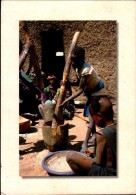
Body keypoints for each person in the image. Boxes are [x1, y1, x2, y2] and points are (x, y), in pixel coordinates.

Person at [59, 46, 105, 151]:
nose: (73, 62)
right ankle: (94, 138)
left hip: (97, 92)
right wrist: (68, 83)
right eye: (72, 59)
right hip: (90, 92)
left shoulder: (86, 70)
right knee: (90, 117)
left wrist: (65, 101)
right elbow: (78, 83)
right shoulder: (76, 66)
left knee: (91, 119)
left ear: (82, 59)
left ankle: (85, 144)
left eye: (75, 60)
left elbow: (80, 90)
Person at [66, 96, 117, 176]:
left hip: (109, 172)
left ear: (99, 116)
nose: (93, 121)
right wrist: (93, 151)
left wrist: (87, 159)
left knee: (70, 156)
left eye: (93, 117)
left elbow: (98, 161)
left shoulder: (101, 134)